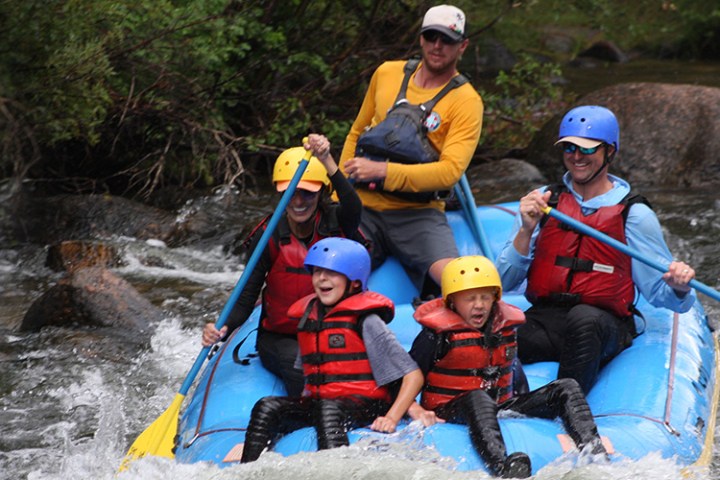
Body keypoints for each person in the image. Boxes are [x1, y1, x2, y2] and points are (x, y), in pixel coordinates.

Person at [495, 105, 697, 394]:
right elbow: (503, 282)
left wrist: (679, 288)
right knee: (493, 336)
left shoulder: (635, 214)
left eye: (587, 150)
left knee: (584, 319)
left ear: (609, 152)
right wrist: (526, 231)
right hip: (548, 319)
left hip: (604, 324)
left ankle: (563, 401)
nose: (576, 157)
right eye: (569, 148)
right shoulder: (544, 202)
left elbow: (661, 295)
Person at [408, 256, 607, 478]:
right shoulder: (435, 336)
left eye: (485, 297)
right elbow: (407, 375)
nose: (479, 305)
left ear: (495, 298)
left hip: (500, 405)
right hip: (450, 408)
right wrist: (414, 409)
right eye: (470, 298)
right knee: (478, 398)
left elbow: (513, 370)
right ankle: (501, 466)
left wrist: (529, 403)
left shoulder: (504, 327)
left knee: (566, 387)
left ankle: (594, 450)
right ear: (452, 301)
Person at [201, 134, 363, 397]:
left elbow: (353, 205)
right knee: (304, 368)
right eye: (290, 193)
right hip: (282, 338)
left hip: (334, 329)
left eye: (306, 194)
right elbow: (247, 293)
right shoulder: (269, 235)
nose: (298, 202)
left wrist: (327, 161)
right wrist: (221, 328)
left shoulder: (337, 221)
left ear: (321, 192)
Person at [338, 4, 483, 296]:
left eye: (447, 40)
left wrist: (383, 171)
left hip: (418, 214)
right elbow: (357, 132)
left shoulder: (467, 101)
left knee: (460, 286)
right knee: (322, 270)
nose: (437, 46)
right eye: (431, 37)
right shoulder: (387, 73)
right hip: (363, 208)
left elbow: (449, 173)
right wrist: (339, 195)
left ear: (462, 46)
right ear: (421, 38)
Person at [240, 237, 423, 462]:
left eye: (332, 273)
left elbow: (413, 376)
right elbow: (308, 377)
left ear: (354, 282)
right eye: (317, 272)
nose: (322, 278)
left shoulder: (367, 320)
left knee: (328, 409)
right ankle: (248, 468)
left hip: (365, 405)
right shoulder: (309, 316)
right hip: (323, 403)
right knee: (266, 406)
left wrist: (392, 418)